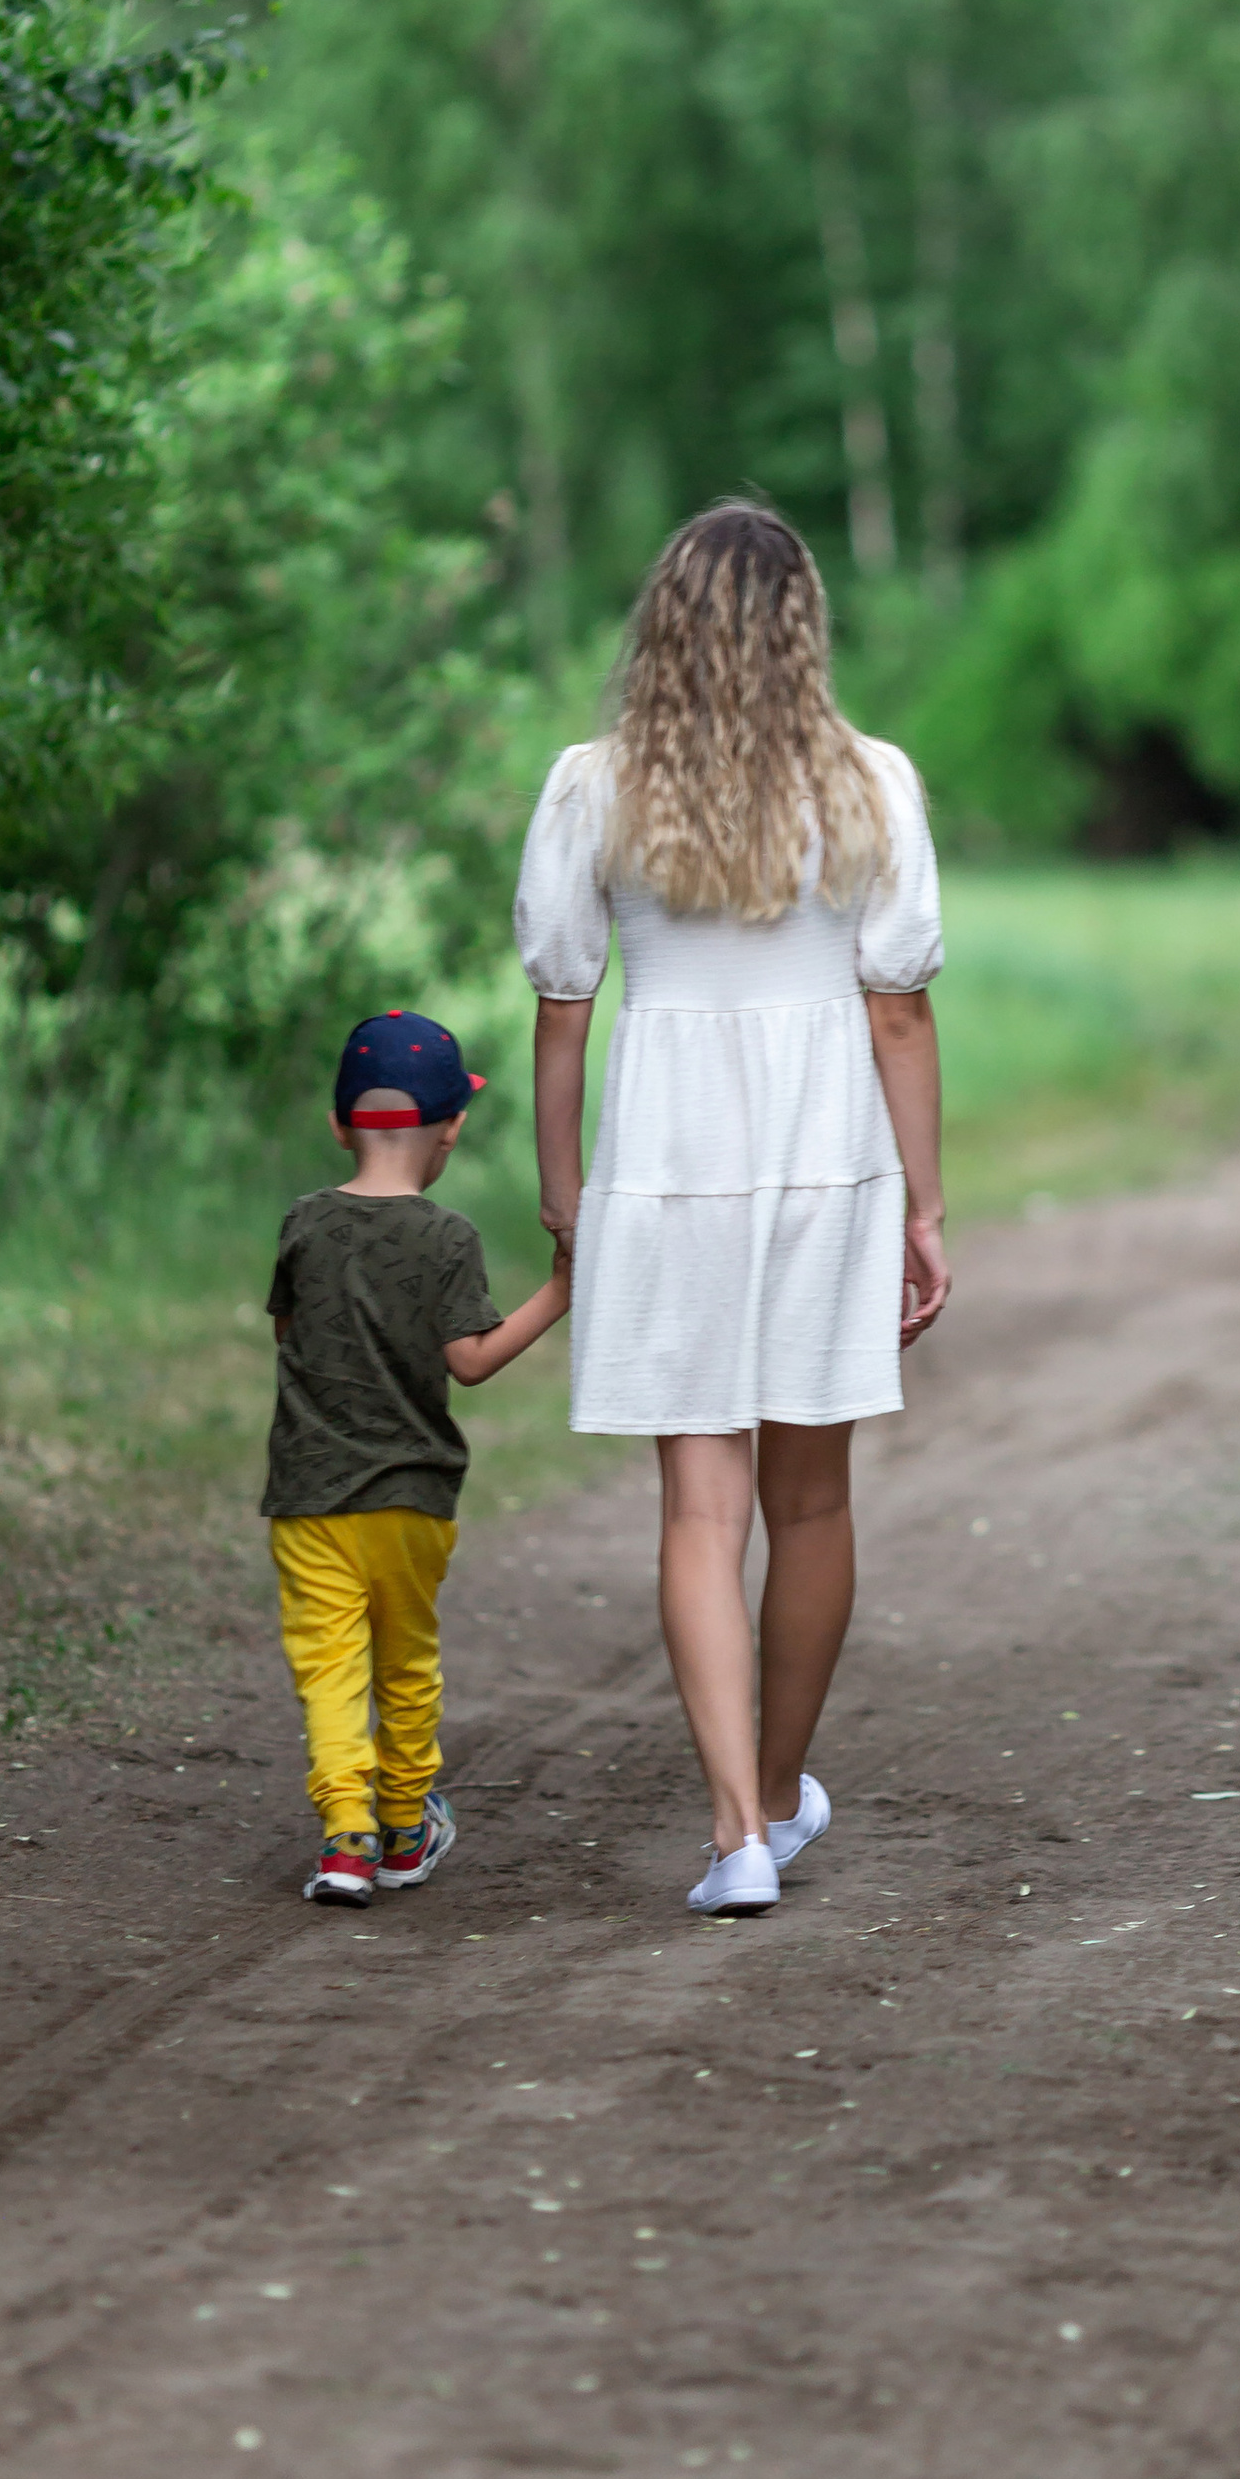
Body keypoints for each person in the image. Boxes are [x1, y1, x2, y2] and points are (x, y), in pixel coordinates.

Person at [515, 500, 948, 1918]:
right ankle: (774, 1790)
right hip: (828, 1163)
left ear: (665, 623)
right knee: (810, 1501)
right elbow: (898, 1015)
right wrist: (926, 1209)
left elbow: (564, 1011)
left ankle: (733, 1838)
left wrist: (567, 1197)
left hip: (666, 1165)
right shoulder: (874, 785)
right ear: (806, 626)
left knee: (700, 1512)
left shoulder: (595, 790)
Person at [262, 1010, 571, 1908]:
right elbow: (469, 1362)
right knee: (404, 1662)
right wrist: (559, 1290)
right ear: (452, 1127)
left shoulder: (304, 1224)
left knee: (329, 1669)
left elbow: (288, 1330)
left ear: (337, 1124)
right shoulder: (448, 1238)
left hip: (310, 1496)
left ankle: (346, 1839)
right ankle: (404, 1826)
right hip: (411, 1500)